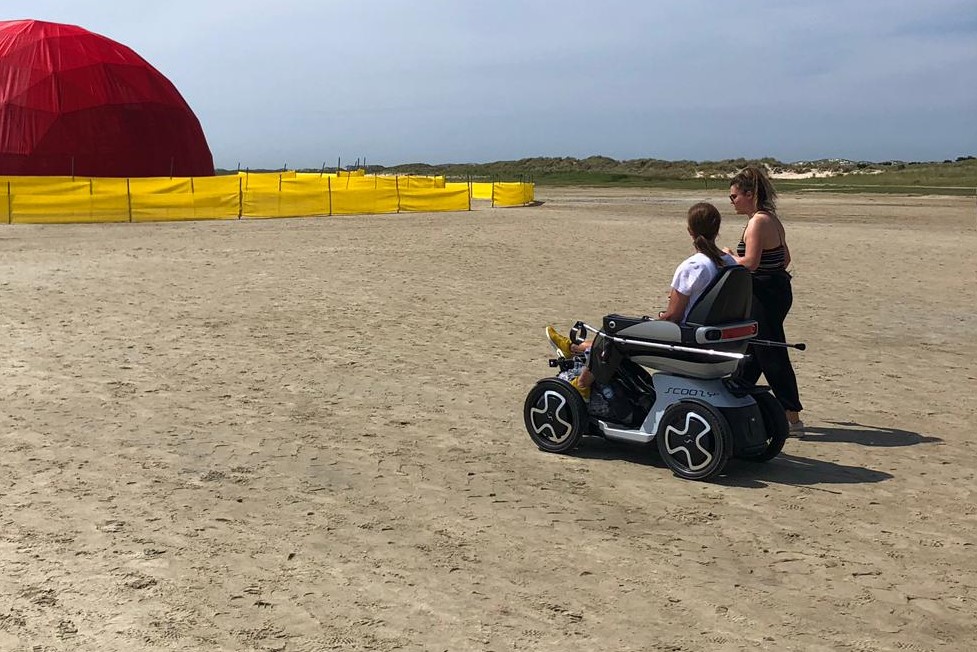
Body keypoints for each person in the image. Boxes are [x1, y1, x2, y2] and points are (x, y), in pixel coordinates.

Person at [547, 202, 735, 400]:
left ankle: (582, 384)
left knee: (613, 333)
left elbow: (673, 316)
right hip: (717, 341)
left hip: (686, 342)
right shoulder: (730, 263)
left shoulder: (693, 266)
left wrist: (655, 321)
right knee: (616, 335)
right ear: (717, 229)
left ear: (690, 231)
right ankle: (573, 348)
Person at [723, 166, 804, 433]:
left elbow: (751, 263)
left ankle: (792, 417)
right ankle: (735, 393)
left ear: (749, 194)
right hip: (777, 289)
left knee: (771, 350)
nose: (731, 201)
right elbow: (785, 258)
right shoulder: (771, 219)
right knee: (754, 349)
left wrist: (728, 255)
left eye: (734, 196)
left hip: (765, 292)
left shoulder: (758, 221)